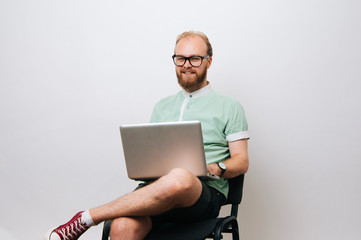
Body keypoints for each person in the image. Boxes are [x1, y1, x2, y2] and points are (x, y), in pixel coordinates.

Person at [44, 31, 249, 240]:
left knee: (180, 176)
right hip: (158, 194)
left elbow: (241, 161)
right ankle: (89, 219)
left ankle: (87, 218)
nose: (186, 64)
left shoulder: (230, 106)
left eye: (195, 58)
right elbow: (152, 156)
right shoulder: (162, 106)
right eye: (181, 58)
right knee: (122, 226)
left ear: (208, 61)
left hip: (202, 196)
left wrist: (216, 168)